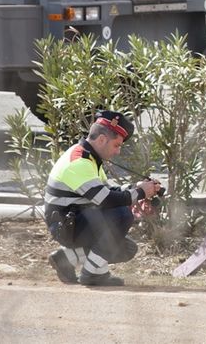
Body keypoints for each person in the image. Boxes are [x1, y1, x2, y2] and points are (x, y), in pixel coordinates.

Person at [44, 110, 161, 286]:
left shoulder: (87, 155)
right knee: (122, 215)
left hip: (74, 221)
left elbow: (107, 191)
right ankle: (92, 275)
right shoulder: (80, 161)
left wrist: (135, 189)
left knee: (126, 249)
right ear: (101, 140)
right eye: (117, 145)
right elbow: (106, 200)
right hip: (66, 227)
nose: (118, 152)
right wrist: (140, 194)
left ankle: (66, 258)